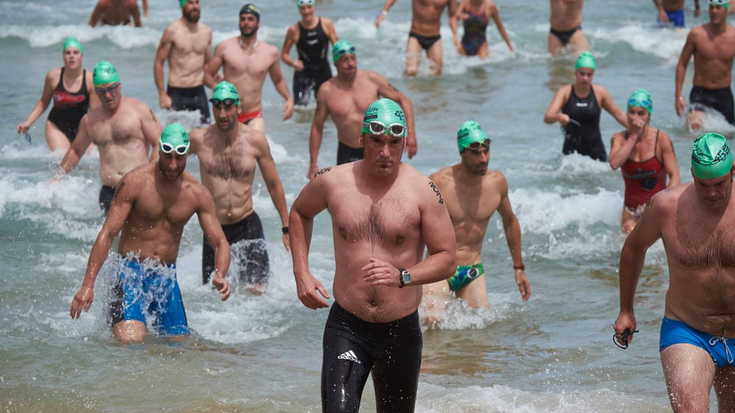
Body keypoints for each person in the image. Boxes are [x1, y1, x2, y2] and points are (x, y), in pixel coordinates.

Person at [289, 98, 456, 412]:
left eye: (394, 143)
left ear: (404, 142)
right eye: (377, 141)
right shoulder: (332, 181)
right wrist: (302, 272)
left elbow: (448, 257)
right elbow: (299, 212)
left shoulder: (424, 190)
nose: (385, 152)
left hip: (400, 331)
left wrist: (403, 276)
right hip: (347, 326)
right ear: (361, 139)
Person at [69, 124, 231, 344]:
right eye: (168, 156)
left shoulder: (197, 193)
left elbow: (220, 242)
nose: (173, 165)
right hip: (128, 272)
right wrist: (88, 284)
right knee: (131, 340)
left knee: (181, 346)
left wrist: (220, 273)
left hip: (165, 278)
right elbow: (107, 233)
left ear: (186, 156)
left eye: (179, 158)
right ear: (160, 152)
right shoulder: (135, 182)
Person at [614, 133, 735, 413]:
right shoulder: (666, 207)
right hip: (689, 330)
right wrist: (626, 310)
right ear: (692, 173)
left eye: (720, 183)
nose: (713, 192)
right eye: (704, 184)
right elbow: (634, 248)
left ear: (732, 171)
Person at [188, 81, 290, 294]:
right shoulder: (199, 139)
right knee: (211, 296)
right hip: (214, 228)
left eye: (228, 106)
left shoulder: (255, 141)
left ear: (238, 107)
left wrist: (286, 225)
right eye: (217, 106)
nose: (222, 113)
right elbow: (168, 161)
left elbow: (273, 184)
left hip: (247, 225)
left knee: (257, 295)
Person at [423, 121, 530, 320]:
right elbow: (415, 224)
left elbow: (510, 222)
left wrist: (518, 268)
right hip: (439, 267)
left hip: (472, 269)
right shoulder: (439, 183)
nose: (483, 158)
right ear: (462, 152)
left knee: (480, 330)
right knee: (431, 320)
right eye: (476, 153)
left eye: (486, 151)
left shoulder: (497, 183)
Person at [56, 61, 162, 214]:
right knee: (108, 237)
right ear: (95, 91)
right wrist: (58, 177)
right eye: (101, 91)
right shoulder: (90, 121)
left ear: (119, 86)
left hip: (139, 187)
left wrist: (152, 177)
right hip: (108, 191)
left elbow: (159, 143)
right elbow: (76, 151)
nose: (107, 95)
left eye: (111, 88)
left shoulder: (140, 110)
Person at [307, 40, 417, 178]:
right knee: (346, 195)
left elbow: (404, 100)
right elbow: (317, 126)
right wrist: (313, 164)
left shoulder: (371, 79)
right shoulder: (327, 90)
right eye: (344, 59)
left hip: (379, 147)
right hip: (347, 151)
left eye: (353, 58)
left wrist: (411, 136)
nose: (350, 63)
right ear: (335, 63)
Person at [205, 4, 294, 134]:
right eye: (243, 19)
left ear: (258, 24)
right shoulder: (225, 48)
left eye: (250, 19)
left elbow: (278, 81)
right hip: (228, 113)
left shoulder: (270, 52)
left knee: (255, 148)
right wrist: (214, 86)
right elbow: (207, 75)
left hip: (254, 114)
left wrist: (289, 99)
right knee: (227, 154)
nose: (246, 22)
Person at [608, 90, 681, 233]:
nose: (635, 117)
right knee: (628, 235)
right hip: (631, 210)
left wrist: (665, 204)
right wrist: (634, 135)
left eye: (641, 113)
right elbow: (614, 163)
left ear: (649, 116)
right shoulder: (618, 139)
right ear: (627, 114)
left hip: (657, 208)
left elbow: (675, 176)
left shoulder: (661, 139)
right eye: (632, 112)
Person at [16, 38, 99, 152]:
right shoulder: (53, 77)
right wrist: (27, 123)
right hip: (56, 127)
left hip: (83, 129)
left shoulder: (90, 80)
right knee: (63, 159)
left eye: (75, 52)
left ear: (82, 56)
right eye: (67, 52)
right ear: (63, 56)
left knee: (91, 161)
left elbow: (95, 113)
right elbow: (43, 102)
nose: (71, 56)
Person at [543, 51, 627, 162]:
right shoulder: (565, 92)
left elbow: (619, 115)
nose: (585, 78)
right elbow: (548, 117)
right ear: (575, 72)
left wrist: (641, 130)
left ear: (593, 74)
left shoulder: (600, 93)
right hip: (570, 159)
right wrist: (559, 117)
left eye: (589, 74)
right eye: (582, 73)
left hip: (596, 156)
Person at [675, 0, 735, 130]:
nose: (714, 11)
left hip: (724, 94)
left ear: (726, 10)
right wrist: (678, 95)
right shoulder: (697, 34)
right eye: (711, 7)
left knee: (728, 137)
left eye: (718, 8)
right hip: (700, 93)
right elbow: (682, 63)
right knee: (695, 127)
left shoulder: (733, 36)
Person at [154, 0, 213, 124]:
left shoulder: (206, 32)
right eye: (190, 3)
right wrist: (162, 94)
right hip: (176, 92)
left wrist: (214, 81)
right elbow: (158, 62)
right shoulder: (172, 31)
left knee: (205, 134)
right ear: (182, 6)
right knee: (176, 138)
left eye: (197, 2)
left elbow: (207, 64)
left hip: (198, 91)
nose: (195, 6)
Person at [375, 0, 458, 76]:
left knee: (436, 75)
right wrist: (384, 12)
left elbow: (452, 15)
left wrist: (455, 36)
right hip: (416, 36)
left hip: (435, 37)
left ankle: (424, 91)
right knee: (411, 71)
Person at [281, 0, 339, 106]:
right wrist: (293, 63)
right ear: (299, 10)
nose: (306, 11)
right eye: (303, 8)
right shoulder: (294, 29)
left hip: (323, 71)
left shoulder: (327, 24)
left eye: (309, 7)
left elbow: (338, 47)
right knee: (300, 107)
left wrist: (341, 65)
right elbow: (284, 54)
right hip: (303, 73)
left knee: (328, 105)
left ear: (314, 7)